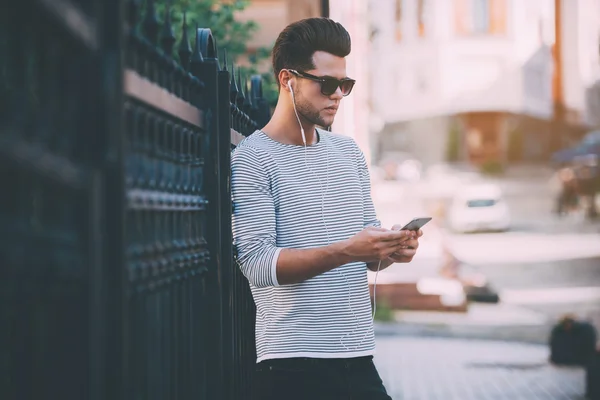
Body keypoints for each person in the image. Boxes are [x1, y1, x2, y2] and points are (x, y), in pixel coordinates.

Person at [231, 17, 423, 400]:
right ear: (288, 80)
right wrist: (349, 250)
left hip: (358, 355)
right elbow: (257, 263)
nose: (338, 95)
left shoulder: (348, 152)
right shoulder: (253, 158)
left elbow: (368, 253)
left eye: (345, 85)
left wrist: (392, 249)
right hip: (291, 363)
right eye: (328, 84)